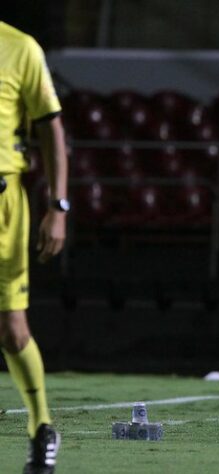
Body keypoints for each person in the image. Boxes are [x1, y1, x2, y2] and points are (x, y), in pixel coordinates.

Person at [0, 21, 69, 473]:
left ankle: (42, 425)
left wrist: (57, 206)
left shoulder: (20, 47)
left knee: (11, 328)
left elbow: (51, 130)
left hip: (3, 202)